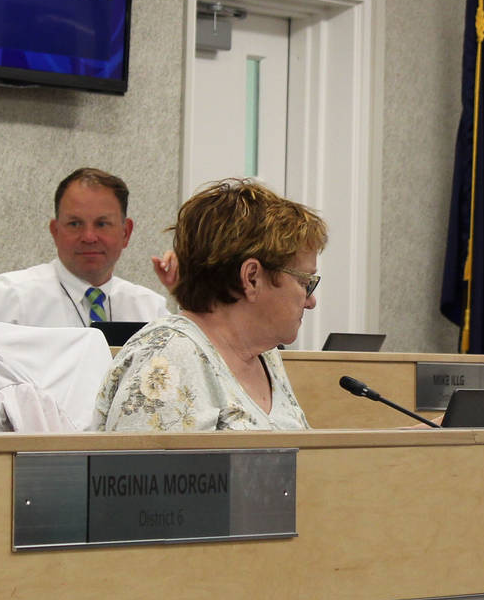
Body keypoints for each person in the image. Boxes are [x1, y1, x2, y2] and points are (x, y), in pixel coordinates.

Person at [96, 179, 326, 432]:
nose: (311, 301)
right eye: (304, 282)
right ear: (252, 278)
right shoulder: (167, 356)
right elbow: (136, 470)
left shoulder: (265, 355)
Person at [0, 168, 168, 328]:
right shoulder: (9, 296)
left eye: (102, 224)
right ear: (55, 231)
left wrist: (188, 292)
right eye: (75, 224)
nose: (89, 237)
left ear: (125, 233)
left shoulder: (150, 310)